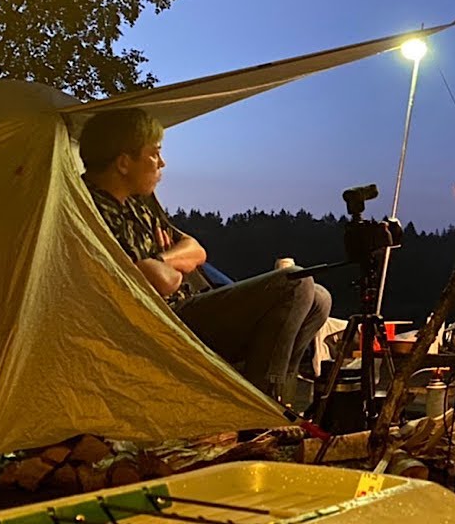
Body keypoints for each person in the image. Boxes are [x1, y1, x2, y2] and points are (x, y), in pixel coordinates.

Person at [77, 108, 331, 401]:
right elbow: (155, 282)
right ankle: (260, 406)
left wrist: (163, 259)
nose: (162, 163)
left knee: (319, 298)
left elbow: (195, 250)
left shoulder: (136, 206)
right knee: (294, 283)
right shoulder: (89, 208)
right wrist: (167, 265)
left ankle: (279, 401)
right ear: (123, 162)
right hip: (158, 323)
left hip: (186, 307)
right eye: (154, 153)